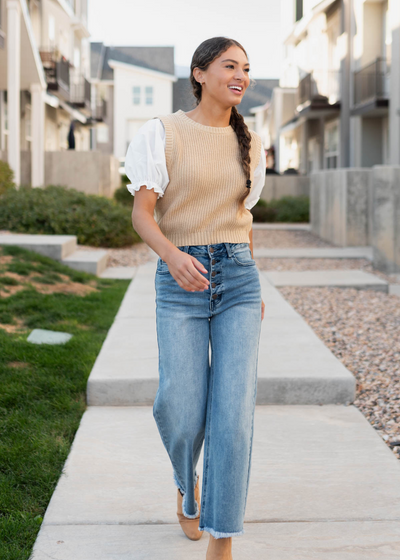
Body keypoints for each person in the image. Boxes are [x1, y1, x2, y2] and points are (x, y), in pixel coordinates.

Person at [124, 36, 266, 560]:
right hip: (180, 278)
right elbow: (143, 214)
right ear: (200, 73)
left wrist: (255, 283)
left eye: (247, 68)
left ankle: (221, 535)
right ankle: (187, 485)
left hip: (238, 280)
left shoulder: (251, 142)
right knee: (181, 407)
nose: (242, 75)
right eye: (231, 65)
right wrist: (173, 256)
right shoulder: (162, 133)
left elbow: (243, 221)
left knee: (233, 414)